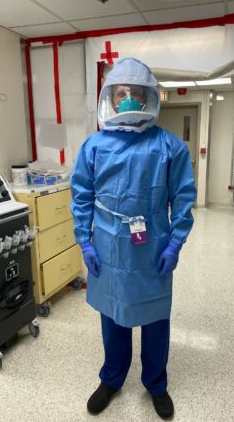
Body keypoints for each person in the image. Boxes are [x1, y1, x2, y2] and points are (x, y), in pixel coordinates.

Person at [71, 57, 196, 419]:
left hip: (152, 245)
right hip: (107, 247)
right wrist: (85, 240)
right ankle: (111, 378)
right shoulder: (93, 146)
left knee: (156, 318)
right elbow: (81, 195)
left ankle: (156, 383)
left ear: (148, 98)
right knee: (113, 315)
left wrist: (175, 243)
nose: (127, 99)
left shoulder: (170, 147)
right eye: (120, 92)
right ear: (110, 97)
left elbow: (184, 198)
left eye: (135, 93)